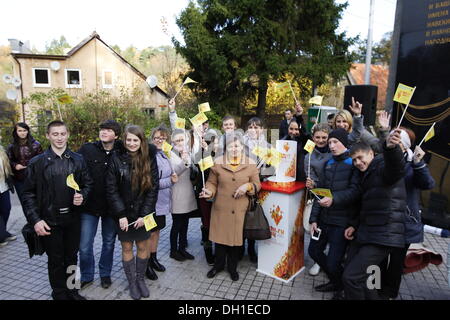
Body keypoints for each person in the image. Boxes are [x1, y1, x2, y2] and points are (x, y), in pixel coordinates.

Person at [22, 120, 93, 300]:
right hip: (48, 221)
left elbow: (88, 184)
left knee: (71, 257)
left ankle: (72, 290)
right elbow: (27, 194)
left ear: (68, 134)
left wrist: (83, 196)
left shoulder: (78, 159)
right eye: (55, 134)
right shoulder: (37, 163)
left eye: (62, 134)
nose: (59, 138)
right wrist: (35, 220)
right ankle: (59, 294)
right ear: (47, 136)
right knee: (55, 260)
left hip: (73, 219)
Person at [342, 129, 407, 300]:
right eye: (354, 160)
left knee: (351, 278)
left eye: (360, 158)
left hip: (383, 235)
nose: (357, 162)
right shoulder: (366, 174)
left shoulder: (381, 167)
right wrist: (354, 226)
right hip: (366, 232)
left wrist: (391, 148)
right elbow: (366, 205)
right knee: (366, 280)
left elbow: (396, 168)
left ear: (371, 153)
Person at [378, 127, 435, 299]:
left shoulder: (413, 164)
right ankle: (375, 289)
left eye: (398, 143)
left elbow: (428, 184)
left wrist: (419, 164)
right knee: (378, 258)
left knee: (396, 262)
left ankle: (390, 292)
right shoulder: (383, 160)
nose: (394, 145)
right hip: (383, 219)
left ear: (404, 146)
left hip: (404, 222)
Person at [105, 124, 158, 300]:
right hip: (123, 214)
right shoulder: (115, 158)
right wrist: (120, 215)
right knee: (127, 247)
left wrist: (145, 214)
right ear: (124, 140)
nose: (132, 143)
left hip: (144, 213)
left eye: (135, 140)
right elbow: (111, 189)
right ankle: (132, 282)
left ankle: (140, 279)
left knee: (143, 246)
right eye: (129, 140)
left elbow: (153, 189)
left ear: (141, 141)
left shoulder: (149, 158)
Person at [200, 132, 261, 281]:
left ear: (242, 147)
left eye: (237, 145)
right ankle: (218, 266)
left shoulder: (251, 164)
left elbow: (257, 185)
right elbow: (212, 183)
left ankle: (232, 268)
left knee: (235, 242)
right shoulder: (218, 162)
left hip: (240, 210)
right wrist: (209, 192)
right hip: (221, 208)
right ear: (226, 147)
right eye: (231, 146)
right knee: (220, 240)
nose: (234, 148)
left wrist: (247, 186)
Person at [308, 128, 360, 300]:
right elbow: (320, 192)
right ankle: (335, 280)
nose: (331, 145)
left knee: (333, 261)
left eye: (335, 142)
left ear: (344, 143)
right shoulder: (328, 163)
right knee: (314, 251)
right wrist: (313, 218)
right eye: (330, 142)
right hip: (323, 219)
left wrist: (334, 199)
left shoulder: (353, 163)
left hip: (341, 222)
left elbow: (355, 191)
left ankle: (341, 287)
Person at [77, 120, 124, 289]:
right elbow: (74, 169)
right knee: (84, 245)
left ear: (116, 135)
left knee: (109, 242)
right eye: (102, 129)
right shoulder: (87, 149)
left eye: (109, 130)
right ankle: (87, 275)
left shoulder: (122, 150)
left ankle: (105, 274)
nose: (104, 132)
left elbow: (145, 149)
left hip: (111, 208)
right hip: (89, 207)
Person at [147, 125, 178, 280]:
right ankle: (145, 264)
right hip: (152, 203)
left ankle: (153, 258)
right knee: (149, 233)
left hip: (162, 202)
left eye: (163, 138)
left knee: (157, 231)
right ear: (152, 138)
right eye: (157, 137)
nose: (159, 140)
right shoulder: (148, 155)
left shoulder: (163, 154)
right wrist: (170, 181)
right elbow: (150, 182)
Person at [241, 117, 273, 263]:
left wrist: (265, 167)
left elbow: (273, 169)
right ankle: (239, 247)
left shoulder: (268, 146)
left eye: (257, 127)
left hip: (258, 186)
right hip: (242, 184)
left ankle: (251, 247)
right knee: (241, 216)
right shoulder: (241, 143)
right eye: (251, 127)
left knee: (253, 216)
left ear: (262, 129)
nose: (254, 130)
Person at [304, 123, 332, 276]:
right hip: (319, 197)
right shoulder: (308, 157)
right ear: (313, 138)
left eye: (324, 137)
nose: (321, 140)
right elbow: (311, 178)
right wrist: (312, 184)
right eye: (318, 137)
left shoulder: (335, 150)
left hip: (337, 196)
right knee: (318, 230)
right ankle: (317, 260)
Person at [169, 129, 197, 261]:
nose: (180, 142)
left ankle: (182, 248)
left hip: (188, 192)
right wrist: (185, 160)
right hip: (177, 194)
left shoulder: (188, 153)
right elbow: (175, 172)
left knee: (185, 223)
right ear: (172, 142)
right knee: (177, 224)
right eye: (177, 140)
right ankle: (173, 251)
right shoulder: (169, 155)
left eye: (182, 140)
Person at [7, 122, 43, 206]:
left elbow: (41, 160)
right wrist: (15, 165)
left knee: (37, 201)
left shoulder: (36, 145)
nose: (22, 133)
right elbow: (9, 161)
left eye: (24, 130)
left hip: (34, 177)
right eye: (20, 131)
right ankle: (30, 219)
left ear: (28, 131)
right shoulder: (11, 146)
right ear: (16, 132)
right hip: (19, 179)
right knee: (25, 203)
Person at [0, 144, 15, 247]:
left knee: (6, 209)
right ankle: (1, 235)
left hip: (3, 187)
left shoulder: (2, 151)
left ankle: (2, 232)